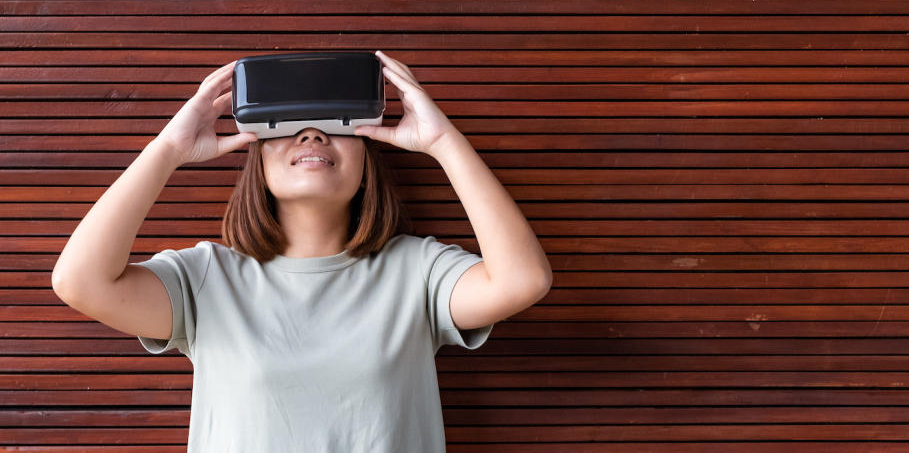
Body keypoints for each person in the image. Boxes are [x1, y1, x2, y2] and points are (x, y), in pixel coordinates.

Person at [51, 50, 553, 452]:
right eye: (288, 125)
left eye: (335, 124)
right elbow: (79, 282)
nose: (312, 133)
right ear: (256, 156)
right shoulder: (206, 278)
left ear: (369, 154)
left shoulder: (418, 271)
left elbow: (522, 280)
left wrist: (442, 140)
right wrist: (169, 148)